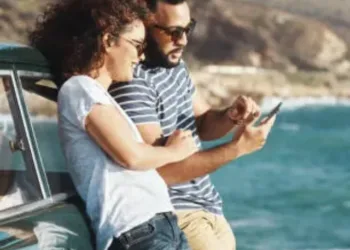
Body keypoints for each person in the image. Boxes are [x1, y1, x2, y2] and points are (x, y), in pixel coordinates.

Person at [29, 0, 198, 250]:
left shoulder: (97, 95)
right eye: (138, 45)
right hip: (137, 231)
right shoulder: (79, 88)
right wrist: (175, 151)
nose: (141, 56)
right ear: (108, 41)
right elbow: (130, 156)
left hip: (158, 227)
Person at [109, 0, 277, 249]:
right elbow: (160, 173)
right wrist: (237, 148)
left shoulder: (175, 67)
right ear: (145, 26)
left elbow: (203, 123)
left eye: (188, 29)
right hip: (177, 215)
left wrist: (231, 116)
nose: (183, 40)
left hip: (208, 207)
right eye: (174, 32)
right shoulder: (134, 83)